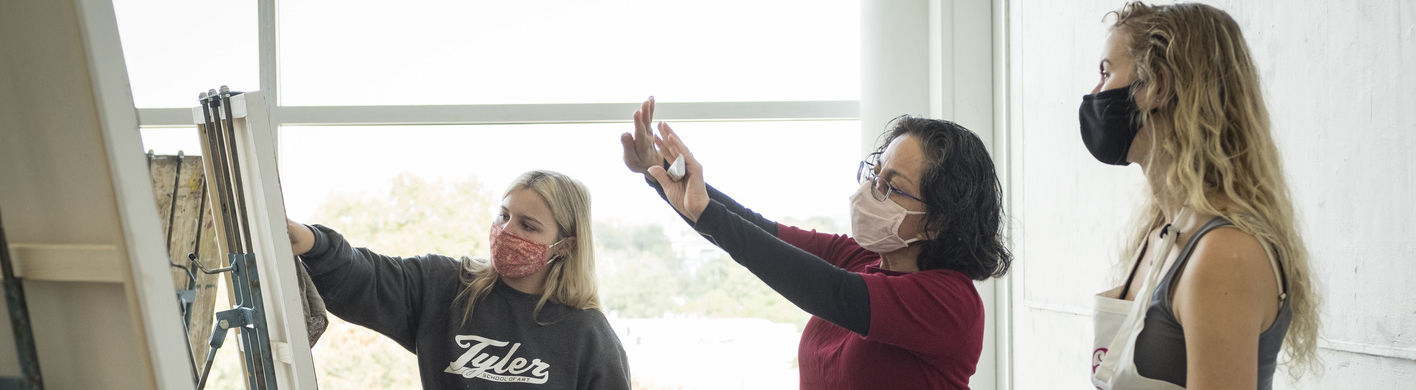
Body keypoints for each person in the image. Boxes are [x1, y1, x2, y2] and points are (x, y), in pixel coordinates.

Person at [618, 97, 1011, 389]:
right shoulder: (865, 259)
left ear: (938, 220)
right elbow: (761, 234)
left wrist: (706, 213)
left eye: (892, 187)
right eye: (876, 175)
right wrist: (664, 174)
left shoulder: (950, 303)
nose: (872, 191)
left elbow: (830, 292)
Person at [1081, 2, 1319, 389]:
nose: (1095, 92)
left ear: (1156, 85)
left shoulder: (1224, 252)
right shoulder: (1162, 228)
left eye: (1106, 73)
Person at [285, 170, 630, 389]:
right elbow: (366, 276)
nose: (507, 231)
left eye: (528, 225)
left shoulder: (587, 333)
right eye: (504, 215)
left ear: (565, 246)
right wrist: (313, 242)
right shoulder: (444, 287)